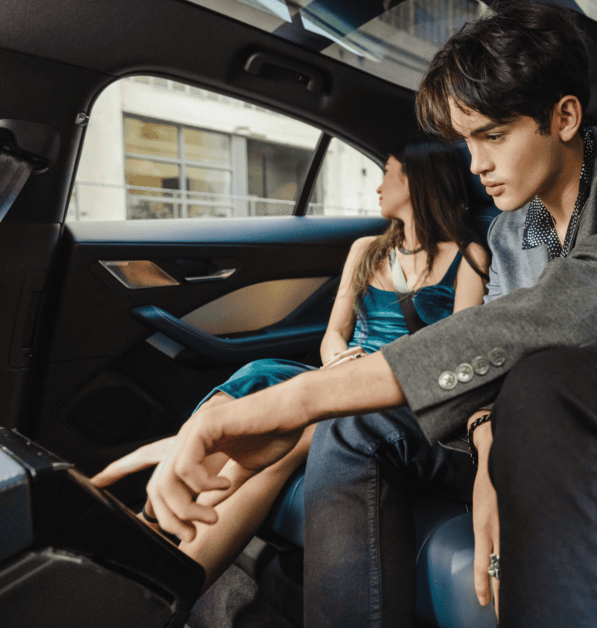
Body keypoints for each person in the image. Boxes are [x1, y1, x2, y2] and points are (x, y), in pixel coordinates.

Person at [142, 0, 597, 627]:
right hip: (552, 433)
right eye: (466, 142)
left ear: (562, 116)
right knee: (355, 426)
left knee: (549, 380)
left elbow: (585, 300)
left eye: (493, 137)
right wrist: (489, 443)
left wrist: (303, 396)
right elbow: (490, 365)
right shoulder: (509, 232)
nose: (476, 166)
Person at [91, 139, 488, 590]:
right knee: (260, 372)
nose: (378, 186)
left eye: (388, 173)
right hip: (335, 373)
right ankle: (157, 513)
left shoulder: (470, 258)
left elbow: (459, 350)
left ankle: (166, 579)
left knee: (289, 440)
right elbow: (335, 331)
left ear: (417, 182)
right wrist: (336, 363)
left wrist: (366, 376)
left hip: (397, 391)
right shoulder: (367, 249)